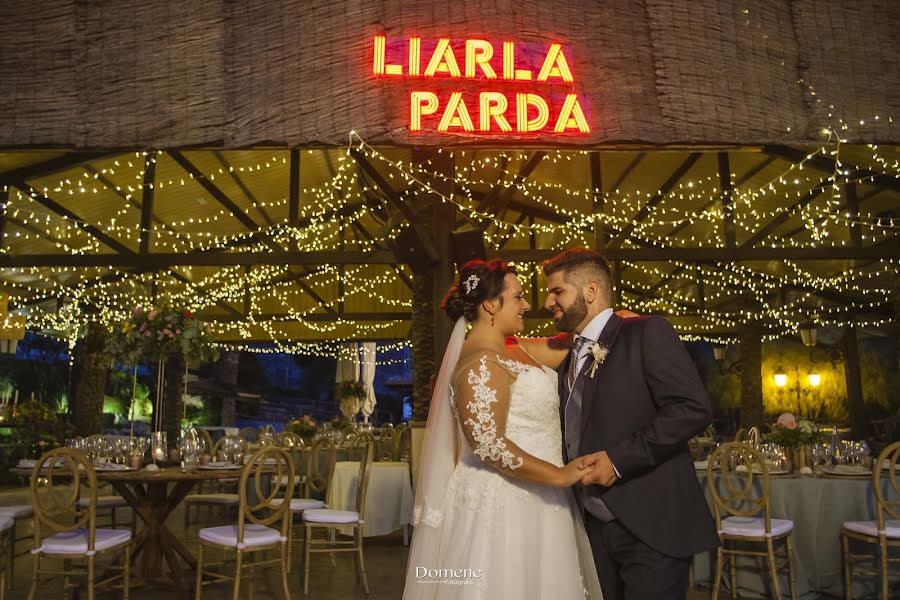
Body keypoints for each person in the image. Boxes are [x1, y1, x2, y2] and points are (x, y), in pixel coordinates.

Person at [403, 259, 604, 599]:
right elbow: (489, 446)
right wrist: (559, 476)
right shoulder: (480, 362)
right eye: (518, 297)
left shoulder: (514, 348)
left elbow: (566, 345)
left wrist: (607, 321)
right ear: (491, 304)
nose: (527, 305)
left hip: (540, 498)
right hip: (504, 504)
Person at [542, 247, 719, 600]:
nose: (548, 302)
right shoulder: (569, 353)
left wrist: (619, 461)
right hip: (591, 524)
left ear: (590, 291)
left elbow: (692, 408)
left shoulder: (645, 332)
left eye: (556, 290)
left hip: (651, 523)